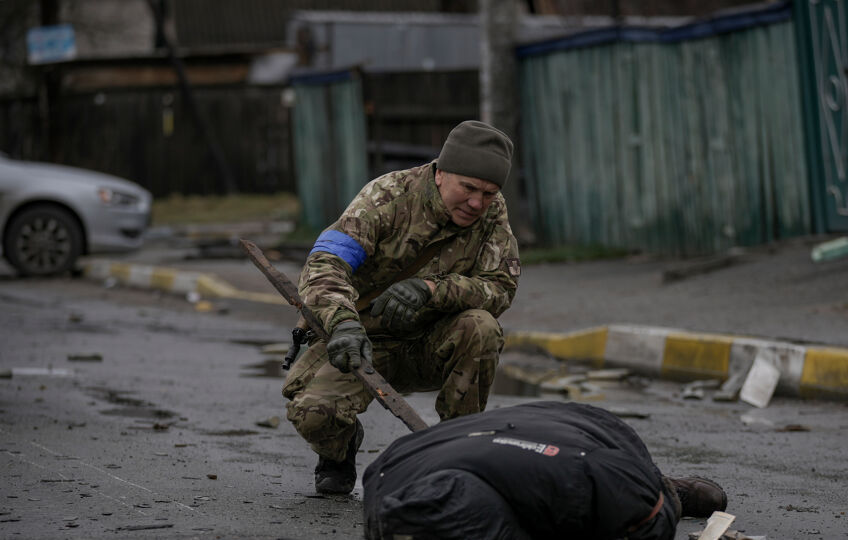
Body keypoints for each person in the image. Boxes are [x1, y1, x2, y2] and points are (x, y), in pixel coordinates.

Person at [282, 120, 521, 494]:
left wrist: (432, 290)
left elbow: (500, 289)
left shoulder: (491, 214)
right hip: (363, 343)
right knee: (315, 414)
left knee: (482, 327)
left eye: (489, 193)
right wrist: (343, 323)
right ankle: (338, 449)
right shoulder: (387, 196)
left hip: (432, 342)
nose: (478, 203)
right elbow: (325, 263)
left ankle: (456, 454)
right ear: (441, 174)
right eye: (469, 188)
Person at [362, 401, 728, 540]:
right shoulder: (388, 493)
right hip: (437, 451)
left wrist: (658, 497)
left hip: (575, 435)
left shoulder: (578, 475)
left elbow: (645, 519)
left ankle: (664, 487)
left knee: (644, 505)